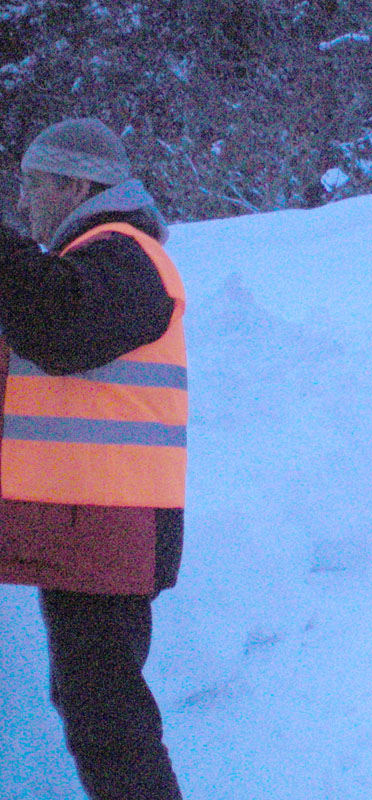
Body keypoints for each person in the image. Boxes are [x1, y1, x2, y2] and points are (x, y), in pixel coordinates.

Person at [0, 118, 187, 799]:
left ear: (75, 185)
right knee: (97, 707)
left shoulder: (126, 255)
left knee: (108, 717)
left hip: (112, 530)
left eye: (32, 185)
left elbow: (58, 325)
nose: (23, 205)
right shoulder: (96, 261)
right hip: (88, 530)